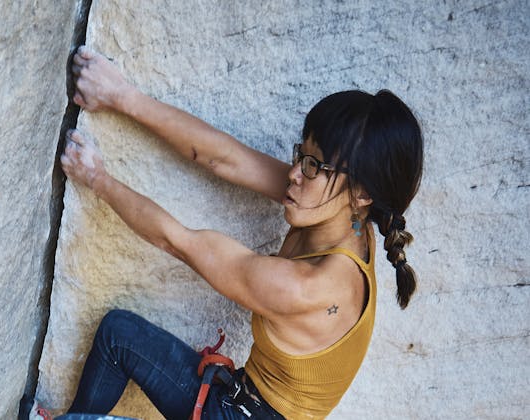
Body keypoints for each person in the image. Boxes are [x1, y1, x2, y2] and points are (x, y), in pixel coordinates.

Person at [59, 46, 424, 419]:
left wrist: (96, 178)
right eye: (302, 154)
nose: (295, 172)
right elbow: (225, 158)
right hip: (236, 401)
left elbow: (177, 240)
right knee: (118, 335)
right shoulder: (344, 220)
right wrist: (121, 96)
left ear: (363, 194)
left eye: (314, 165)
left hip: (238, 413)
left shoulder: (306, 287)